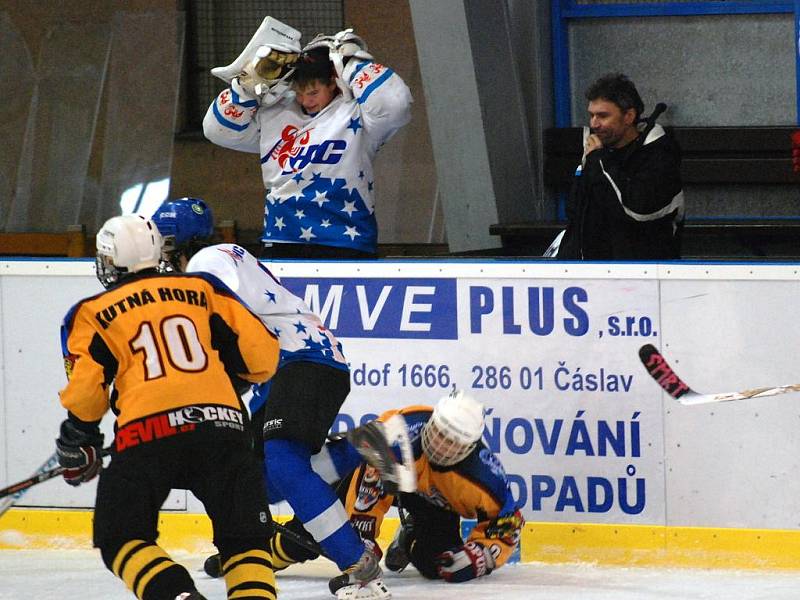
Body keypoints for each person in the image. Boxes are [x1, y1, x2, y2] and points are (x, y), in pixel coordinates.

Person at [151, 197, 415, 600]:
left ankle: (356, 564)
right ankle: (361, 448)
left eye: (165, 244)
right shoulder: (217, 257)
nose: (161, 255)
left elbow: (218, 327)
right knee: (259, 482)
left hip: (302, 357)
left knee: (284, 462)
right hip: (285, 367)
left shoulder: (207, 262)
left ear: (182, 242)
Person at [54, 214, 280, 600]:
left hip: (148, 432)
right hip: (223, 426)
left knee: (121, 534)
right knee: (246, 540)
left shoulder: (90, 312)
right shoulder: (204, 289)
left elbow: (87, 396)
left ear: (109, 261)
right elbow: (262, 359)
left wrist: (79, 436)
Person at [203, 16, 412, 259]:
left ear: (333, 82)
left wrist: (351, 61)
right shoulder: (275, 112)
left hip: (346, 240)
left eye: (314, 92)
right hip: (281, 237)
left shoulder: (358, 112)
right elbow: (218, 130)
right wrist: (245, 87)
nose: (306, 100)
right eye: (299, 92)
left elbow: (397, 104)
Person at [267, 390, 524, 584]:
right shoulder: (404, 426)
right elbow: (369, 467)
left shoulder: (483, 475)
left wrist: (480, 556)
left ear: (470, 447)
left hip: (433, 503)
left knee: (440, 563)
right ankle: (262, 553)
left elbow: (507, 523)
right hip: (387, 475)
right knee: (327, 529)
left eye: (452, 442)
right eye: (439, 432)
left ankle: (409, 538)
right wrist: (362, 536)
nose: (441, 444)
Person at [557, 73, 684, 260]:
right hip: (587, 271)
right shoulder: (597, 153)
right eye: (591, 115)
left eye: (603, 116)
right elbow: (575, 210)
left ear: (629, 116)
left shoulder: (659, 156)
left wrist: (599, 163)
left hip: (643, 272)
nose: (594, 124)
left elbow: (637, 211)